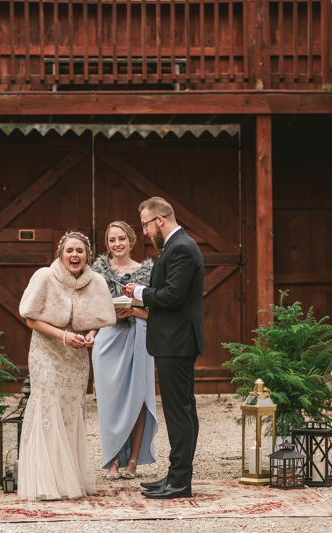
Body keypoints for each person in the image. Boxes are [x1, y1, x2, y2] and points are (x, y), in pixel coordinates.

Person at [17, 231, 116, 501]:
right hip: (47, 351)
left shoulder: (95, 281)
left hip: (77, 357)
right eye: (70, 250)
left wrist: (92, 335)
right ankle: (45, 481)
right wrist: (63, 336)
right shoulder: (45, 277)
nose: (75, 255)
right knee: (47, 406)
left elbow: (99, 318)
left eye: (80, 251)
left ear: (87, 256)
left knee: (71, 412)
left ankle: (68, 479)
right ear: (61, 253)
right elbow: (30, 319)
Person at [123, 196, 205, 500]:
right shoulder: (175, 246)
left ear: (160, 220)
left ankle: (180, 483)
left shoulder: (182, 247)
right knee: (180, 410)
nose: (143, 231)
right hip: (174, 340)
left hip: (178, 342)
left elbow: (173, 296)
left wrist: (139, 291)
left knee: (179, 412)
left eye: (145, 224)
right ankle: (175, 476)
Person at [91, 221, 157, 480]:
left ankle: (133, 460)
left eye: (121, 239)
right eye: (111, 240)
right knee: (109, 398)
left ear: (131, 241)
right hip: (108, 337)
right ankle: (113, 459)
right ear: (107, 244)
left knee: (138, 396)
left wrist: (134, 311)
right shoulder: (96, 274)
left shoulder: (146, 272)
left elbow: (156, 312)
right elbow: (89, 309)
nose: (117, 244)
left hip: (137, 335)